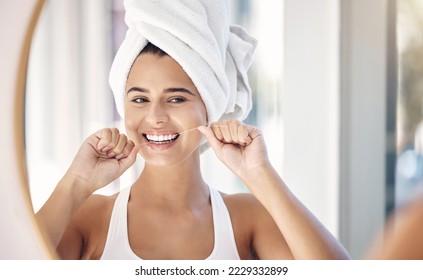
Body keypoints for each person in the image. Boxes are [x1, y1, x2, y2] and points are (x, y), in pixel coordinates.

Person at [35, 0, 350, 260]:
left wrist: (259, 173)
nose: (156, 116)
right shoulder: (90, 219)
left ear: (209, 108)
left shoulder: (248, 219)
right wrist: (75, 184)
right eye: (140, 98)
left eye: (176, 98)